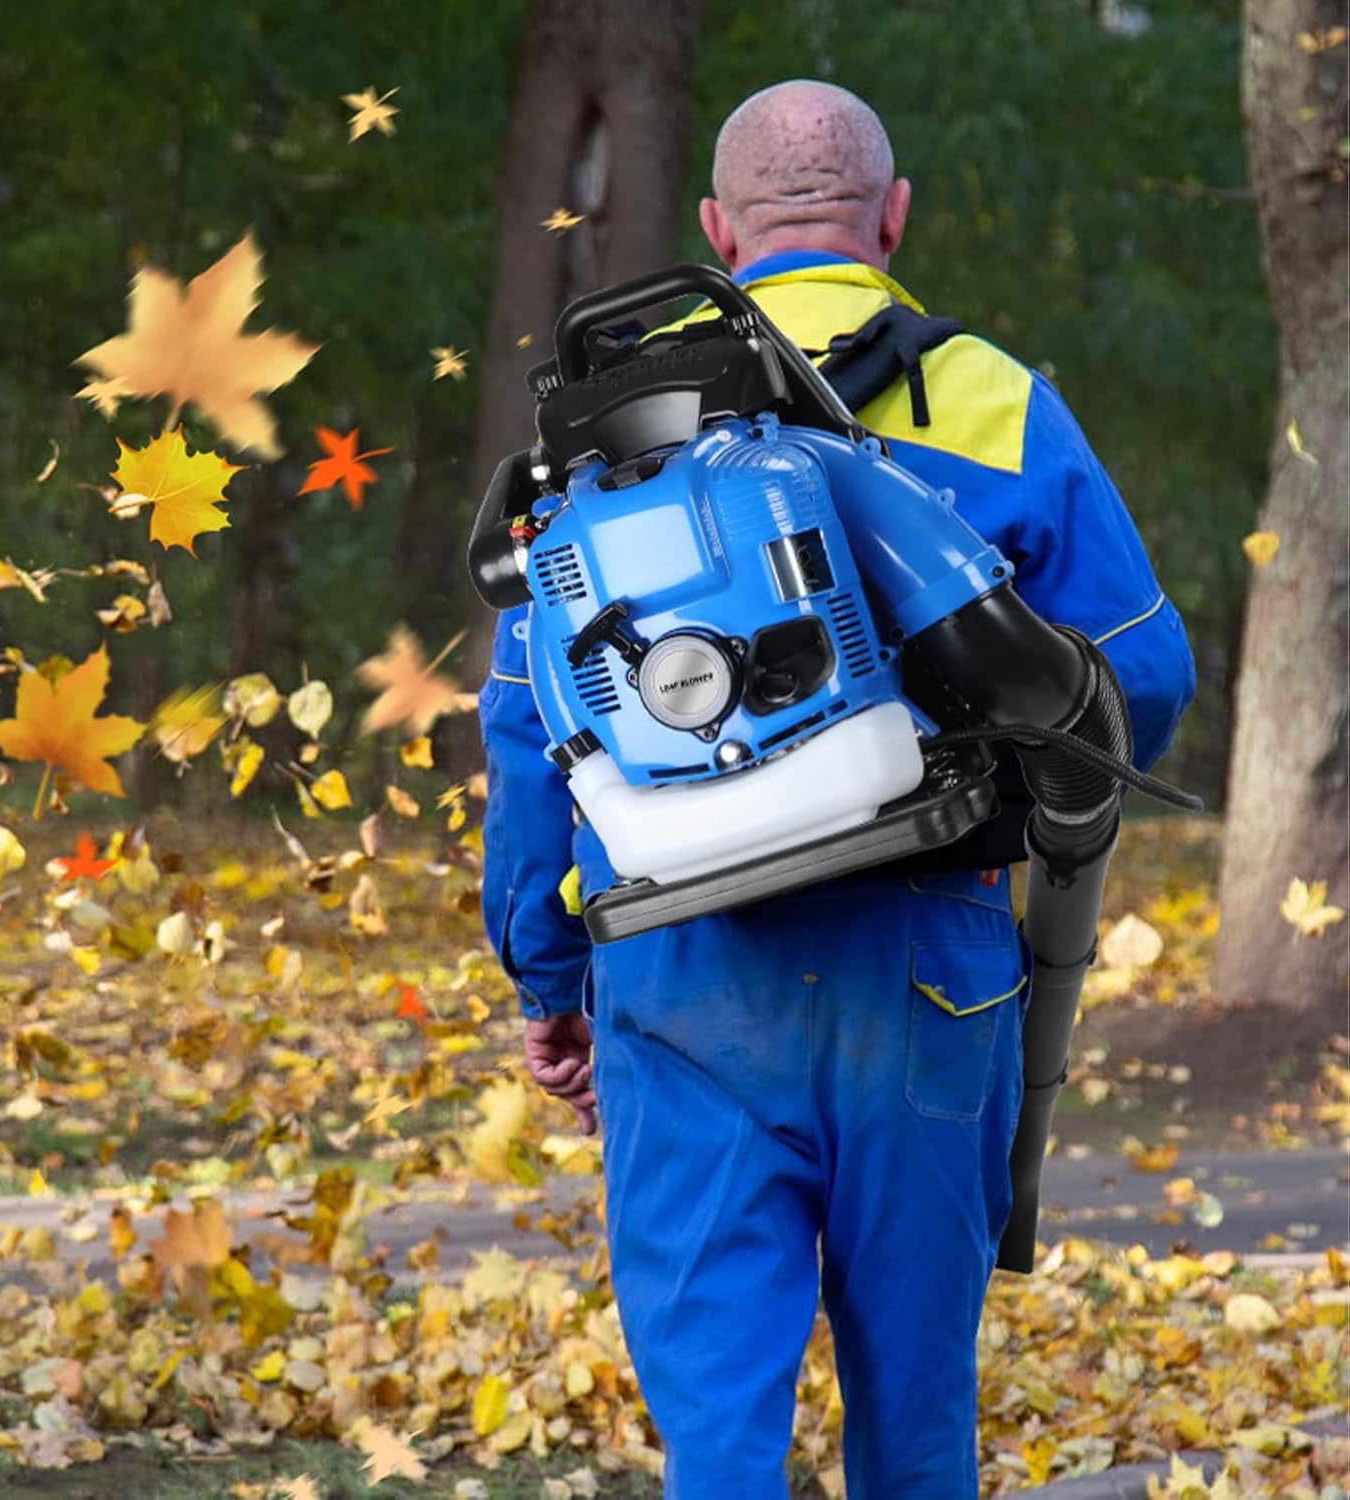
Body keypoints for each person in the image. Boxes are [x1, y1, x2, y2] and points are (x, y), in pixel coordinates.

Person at [476, 79, 1196, 1500]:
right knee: (917, 1434)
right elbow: (1143, 681)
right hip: (936, 963)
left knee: (724, 1441)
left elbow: (527, 730)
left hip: (684, 966)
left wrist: (547, 977)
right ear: (893, 215)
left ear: (717, 230)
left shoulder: (604, 431)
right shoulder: (992, 396)